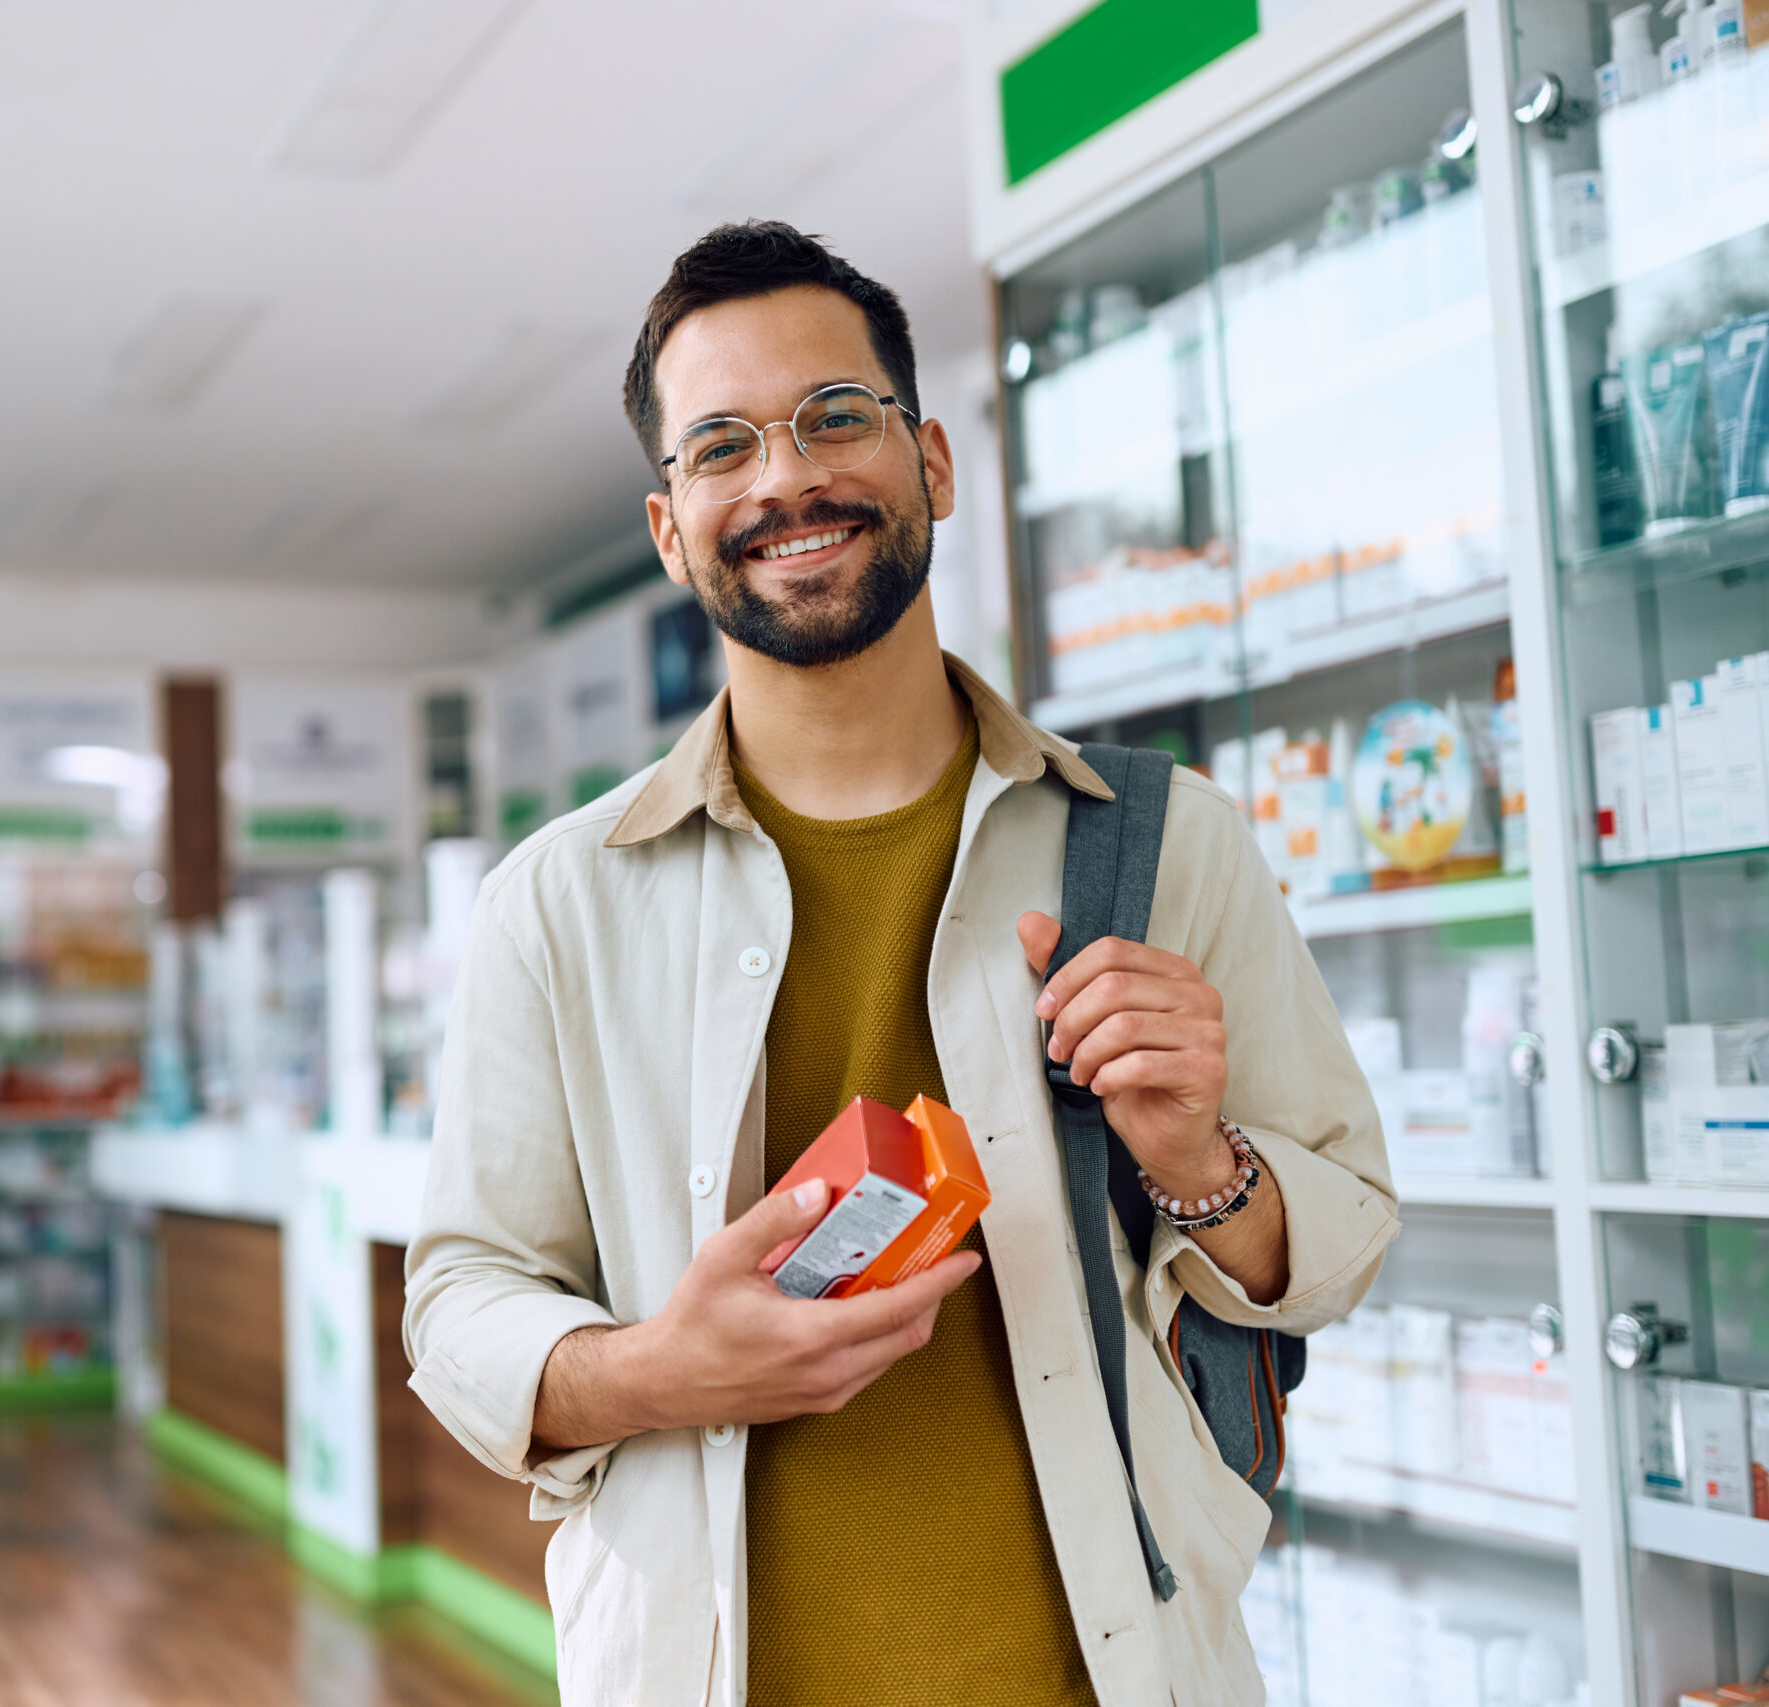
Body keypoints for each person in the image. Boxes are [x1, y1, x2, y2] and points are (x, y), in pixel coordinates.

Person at [403, 222, 1398, 1707]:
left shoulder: (1161, 842)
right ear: (672, 526)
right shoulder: (558, 901)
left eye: (834, 416)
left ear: (933, 461)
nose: (786, 478)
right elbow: (462, 1299)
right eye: (721, 445)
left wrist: (1202, 1156)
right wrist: (662, 1366)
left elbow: (1339, 1243)